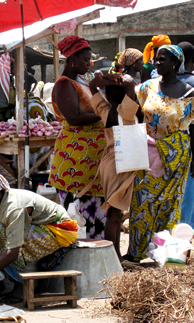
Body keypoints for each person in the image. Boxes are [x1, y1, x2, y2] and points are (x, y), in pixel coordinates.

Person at [0, 172, 77, 302]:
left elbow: (12, 252)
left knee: (1, 232)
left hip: (59, 229)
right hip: (34, 225)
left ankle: (20, 286)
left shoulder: (13, 207)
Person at [127, 45, 194, 262]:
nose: (156, 62)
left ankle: (165, 256)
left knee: (170, 206)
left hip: (177, 158)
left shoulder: (189, 92)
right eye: (156, 59)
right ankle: (135, 253)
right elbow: (131, 107)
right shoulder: (147, 87)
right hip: (147, 154)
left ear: (175, 63)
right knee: (141, 203)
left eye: (162, 59)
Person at [48, 36, 107, 239]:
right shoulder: (65, 84)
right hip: (75, 160)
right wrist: (106, 113)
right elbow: (73, 118)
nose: (89, 63)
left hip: (91, 161)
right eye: (86, 59)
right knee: (79, 218)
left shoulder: (84, 81)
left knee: (95, 216)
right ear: (72, 59)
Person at [88, 73, 140, 261]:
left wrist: (103, 79)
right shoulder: (126, 112)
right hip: (121, 163)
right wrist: (121, 81)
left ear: (107, 96)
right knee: (114, 215)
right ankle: (114, 257)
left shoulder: (105, 110)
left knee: (115, 213)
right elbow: (131, 86)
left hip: (110, 162)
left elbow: (92, 86)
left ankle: (115, 256)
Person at [177, 41, 194, 227]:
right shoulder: (192, 84)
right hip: (187, 145)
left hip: (166, 147)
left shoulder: (162, 82)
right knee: (188, 191)